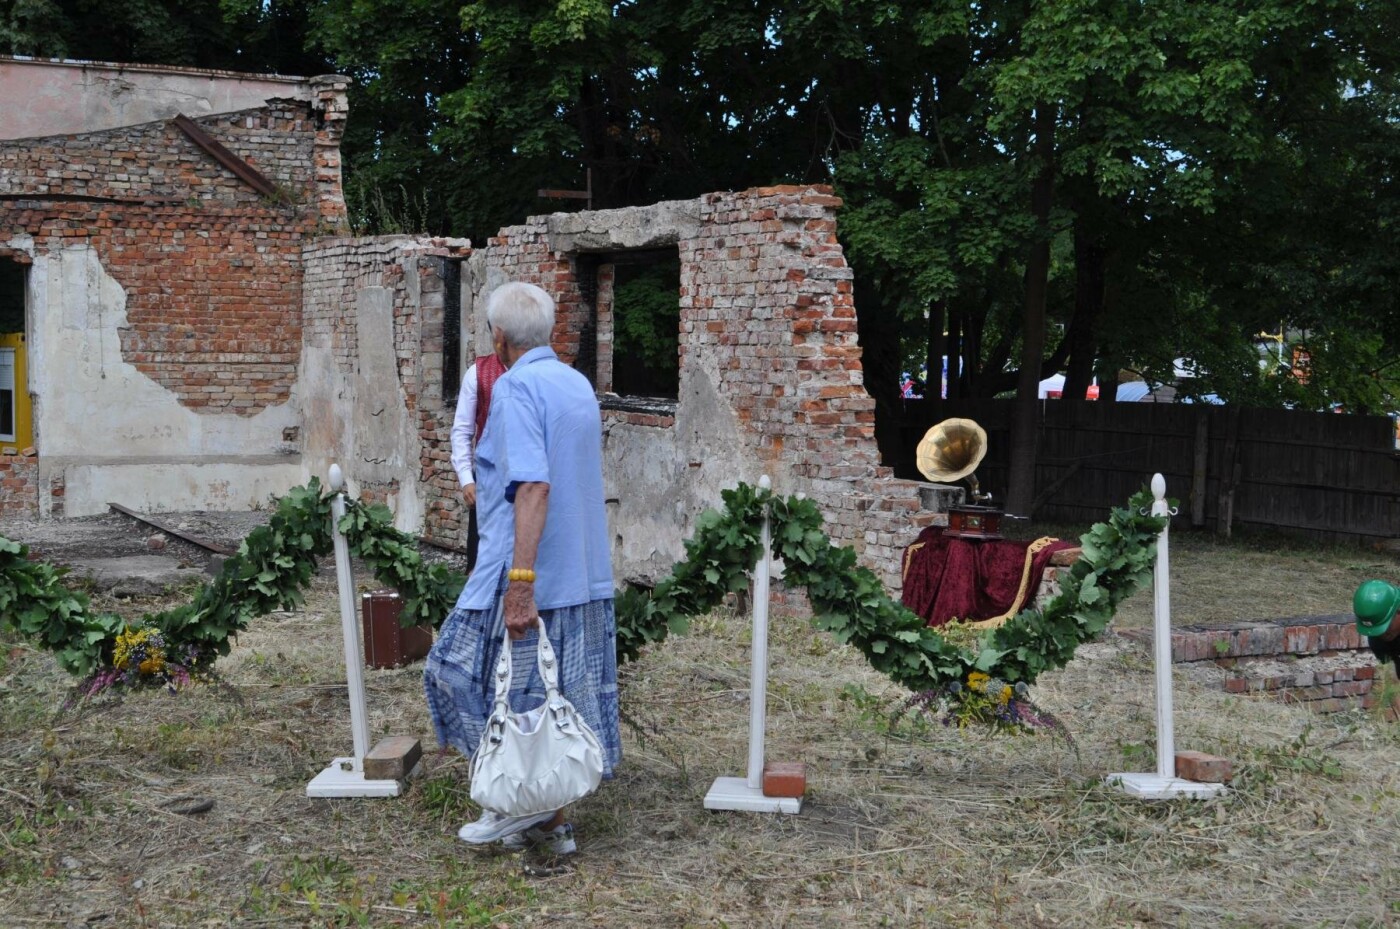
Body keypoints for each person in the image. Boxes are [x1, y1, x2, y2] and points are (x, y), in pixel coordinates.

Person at [424, 281, 620, 858]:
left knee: (461, 675)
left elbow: (533, 485)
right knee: (548, 699)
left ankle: (515, 805)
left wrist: (521, 585)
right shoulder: (576, 384)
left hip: (528, 572)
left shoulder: (514, 388)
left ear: (498, 337)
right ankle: (548, 819)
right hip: (580, 572)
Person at [450, 347, 508, 565]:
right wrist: (466, 479)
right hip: (488, 480)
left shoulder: (539, 374)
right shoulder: (478, 373)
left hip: (529, 481)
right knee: (480, 561)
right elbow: (462, 430)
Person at [1354, 579, 1400, 674]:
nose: (1382, 633)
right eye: (1377, 629)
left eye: (1386, 626)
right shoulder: (1377, 638)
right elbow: (1391, 676)